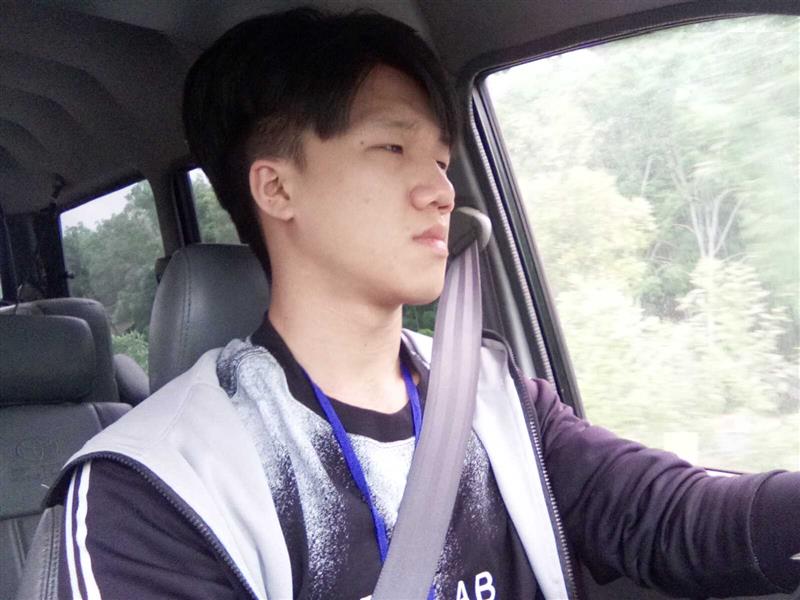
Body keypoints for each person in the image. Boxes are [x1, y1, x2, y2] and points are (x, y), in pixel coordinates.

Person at [52, 8, 800, 600]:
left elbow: (678, 519)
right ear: (277, 187)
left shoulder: (499, 402)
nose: (441, 190)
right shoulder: (157, 486)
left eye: (442, 160)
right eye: (393, 149)